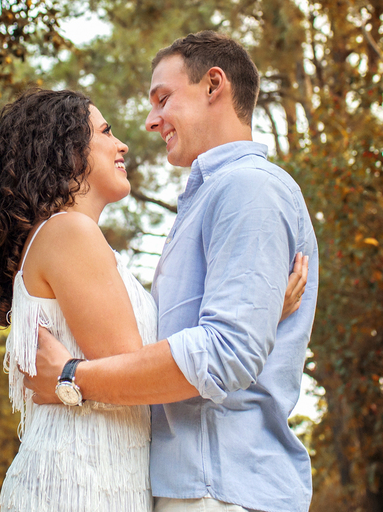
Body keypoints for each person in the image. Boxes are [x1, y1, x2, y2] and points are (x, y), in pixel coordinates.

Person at [0, 87, 309, 512]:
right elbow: (142, 378)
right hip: (79, 481)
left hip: (102, 473)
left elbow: (146, 365)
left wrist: (257, 310)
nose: (122, 143)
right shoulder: (71, 233)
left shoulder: (72, 238)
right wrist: (253, 319)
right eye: (105, 131)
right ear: (66, 150)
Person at [26, 31, 319, 512]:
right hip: (191, 485)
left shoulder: (248, 188)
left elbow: (225, 353)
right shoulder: (206, 201)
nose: (149, 120)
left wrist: (72, 376)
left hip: (218, 487)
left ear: (213, 86)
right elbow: (199, 340)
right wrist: (264, 314)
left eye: (163, 98)